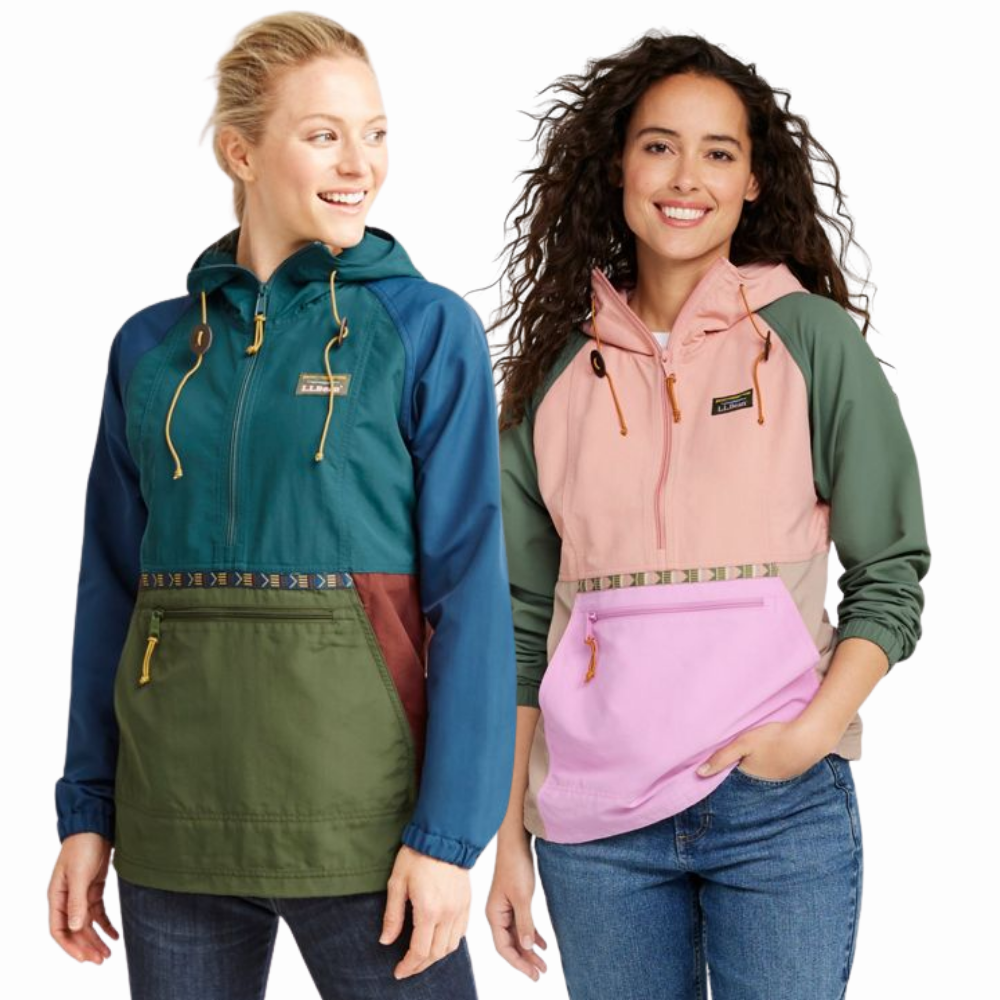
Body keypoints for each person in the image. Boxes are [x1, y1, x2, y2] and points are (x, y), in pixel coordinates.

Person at [47, 12, 515, 998]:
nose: (360, 164)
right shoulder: (150, 349)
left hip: (366, 828)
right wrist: (87, 809)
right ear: (241, 152)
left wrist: (448, 837)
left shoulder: (425, 329)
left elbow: (473, 593)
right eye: (323, 134)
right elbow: (112, 591)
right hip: (173, 826)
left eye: (375, 132)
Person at [486, 31, 930, 1000]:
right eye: (659, 146)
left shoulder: (810, 339)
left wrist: (809, 735)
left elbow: (890, 572)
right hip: (595, 826)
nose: (686, 177)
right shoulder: (554, 373)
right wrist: (508, 831)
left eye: (718, 152)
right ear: (617, 165)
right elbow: (518, 622)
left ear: (752, 181)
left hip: (777, 808)